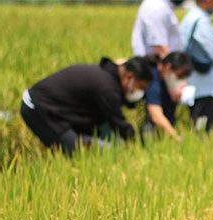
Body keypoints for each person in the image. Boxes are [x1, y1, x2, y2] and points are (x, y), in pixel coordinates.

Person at [20, 57, 152, 155]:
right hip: (38, 108)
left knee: (105, 142)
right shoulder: (107, 88)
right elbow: (118, 123)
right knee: (80, 152)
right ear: (129, 77)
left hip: (57, 110)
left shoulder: (108, 77)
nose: (138, 91)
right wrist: (140, 145)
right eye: (140, 87)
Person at [180, 0, 213, 132]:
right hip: (207, 86)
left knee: (196, 125)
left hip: (193, 83)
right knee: (203, 130)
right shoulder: (201, 21)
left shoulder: (189, 18)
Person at [140, 52, 193, 142]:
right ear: (168, 68)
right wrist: (177, 138)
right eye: (179, 77)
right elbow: (156, 115)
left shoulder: (167, 81)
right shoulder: (152, 80)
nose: (181, 81)